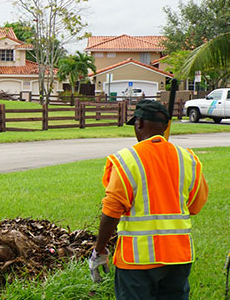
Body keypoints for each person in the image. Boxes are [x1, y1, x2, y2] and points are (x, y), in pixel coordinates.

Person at [89, 99, 208, 299]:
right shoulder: (188, 159)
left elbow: (111, 211)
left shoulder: (126, 160)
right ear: (166, 126)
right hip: (178, 257)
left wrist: (98, 251)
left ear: (139, 123)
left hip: (137, 261)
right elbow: (196, 205)